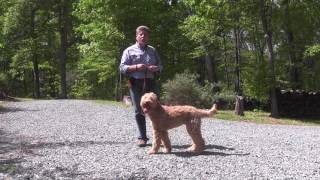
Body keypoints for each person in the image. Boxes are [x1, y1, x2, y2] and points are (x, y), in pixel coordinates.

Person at [119, 25, 163, 147]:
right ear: (137, 36)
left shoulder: (152, 50)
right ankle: (142, 137)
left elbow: (160, 65)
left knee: (157, 108)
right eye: (141, 34)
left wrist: (156, 68)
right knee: (139, 110)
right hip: (135, 82)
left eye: (146, 35)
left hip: (151, 82)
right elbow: (122, 68)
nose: (143, 37)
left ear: (148, 37)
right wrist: (136, 67)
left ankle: (160, 137)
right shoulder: (129, 50)